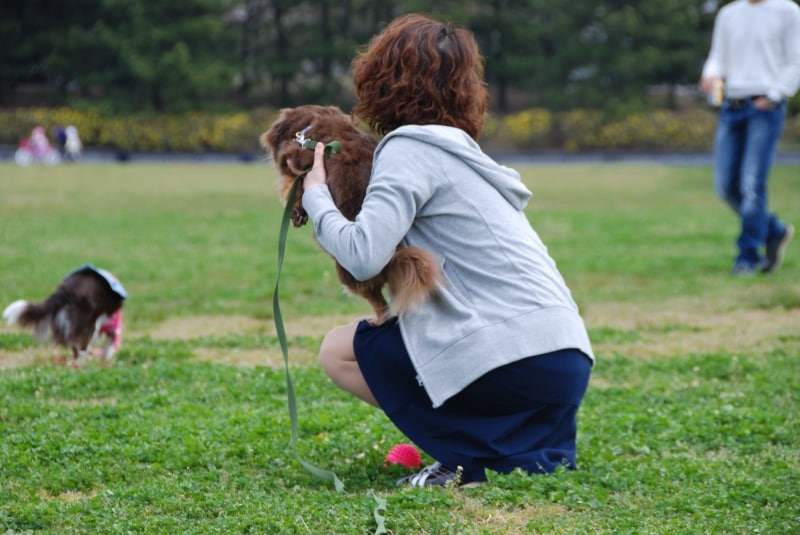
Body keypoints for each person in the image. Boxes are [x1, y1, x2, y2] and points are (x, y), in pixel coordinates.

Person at [292, 14, 594, 487]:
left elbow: (364, 255)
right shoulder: (464, 152)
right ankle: (506, 452)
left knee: (339, 351)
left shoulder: (408, 148)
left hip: (510, 360)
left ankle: (463, 457)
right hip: (565, 358)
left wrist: (315, 194)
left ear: (381, 78)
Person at [699, 0, 800, 276]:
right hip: (732, 106)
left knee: (752, 184)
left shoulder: (787, 10)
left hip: (764, 108)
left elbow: (796, 60)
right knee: (726, 186)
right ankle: (774, 230)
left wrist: (775, 95)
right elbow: (718, 56)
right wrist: (711, 74)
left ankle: (747, 257)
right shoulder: (729, 13)